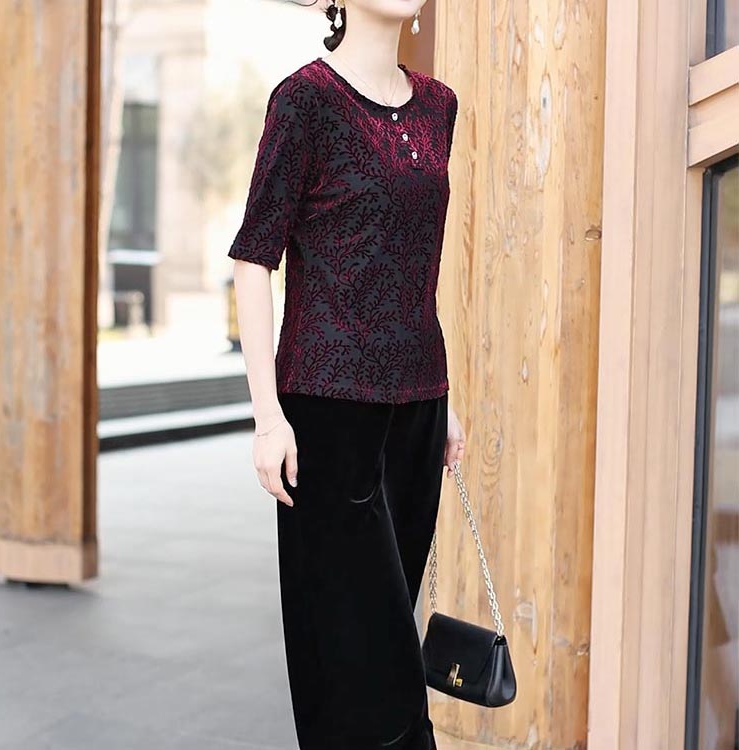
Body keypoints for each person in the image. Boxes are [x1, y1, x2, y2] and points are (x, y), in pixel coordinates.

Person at [229, 1, 465, 747]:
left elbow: (413, 266)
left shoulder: (439, 107)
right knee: (372, 668)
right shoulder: (304, 101)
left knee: (375, 647)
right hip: (327, 418)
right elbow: (253, 261)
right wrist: (267, 417)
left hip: (418, 414)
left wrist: (444, 397)